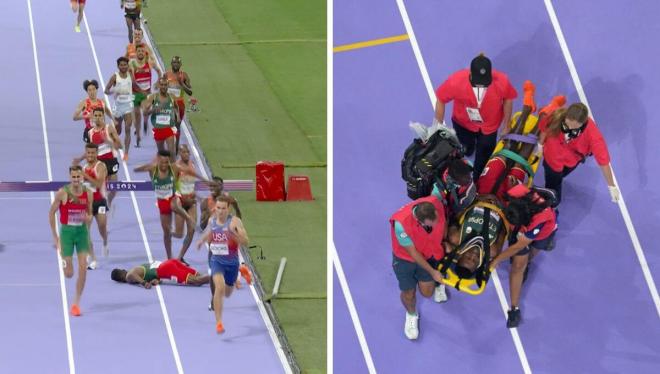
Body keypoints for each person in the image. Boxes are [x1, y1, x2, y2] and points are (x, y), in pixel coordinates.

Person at [434, 54, 518, 179]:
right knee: (465, 148)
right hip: (463, 123)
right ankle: (468, 150)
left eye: (484, 83)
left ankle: (478, 179)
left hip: (490, 127)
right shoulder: (456, 81)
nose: (481, 86)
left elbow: (508, 99)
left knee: (484, 157)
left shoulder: (502, 81)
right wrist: (438, 127)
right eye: (478, 83)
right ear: (471, 74)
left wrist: (506, 125)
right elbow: (441, 99)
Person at [489, 184, 558, 328]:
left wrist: (497, 259)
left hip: (542, 233)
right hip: (520, 231)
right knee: (517, 266)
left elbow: (520, 245)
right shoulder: (514, 192)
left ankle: (538, 250)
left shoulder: (541, 218)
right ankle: (514, 309)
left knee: (531, 253)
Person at [390, 196, 447, 340]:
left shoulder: (434, 202)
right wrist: (432, 272)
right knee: (409, 293)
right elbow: (413, 254)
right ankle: (411, 315)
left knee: (427, 293)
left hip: (428, 253)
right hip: (405, 260)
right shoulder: (401, 224)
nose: (435, 225)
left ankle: (438, 284)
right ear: (420, 222)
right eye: (431, 224)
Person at [538, 102, 619, 204]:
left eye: (574, 128)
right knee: (553, 185)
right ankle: (551, 202)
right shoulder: (555, 115)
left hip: (571, 161)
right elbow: (544, 128)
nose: (569, 130)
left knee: (559, 177)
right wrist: (540, 145)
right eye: (567, 125)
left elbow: (604, 162)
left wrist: (612, 186)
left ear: (583, 124)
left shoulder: (594, 136)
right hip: (551, 159)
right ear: (565, 116)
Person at [196, 196, 249, 334]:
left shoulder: (234, 222)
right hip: (217, 261)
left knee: (227, 293)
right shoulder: (211, 220)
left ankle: (240, 272)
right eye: (218, 208)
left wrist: (234, 236)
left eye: (223, 208)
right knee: (219, 288)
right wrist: (202, 241)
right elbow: (210, 233)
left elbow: (246, 241)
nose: (220, 211)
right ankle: (219, 322)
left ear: (228, 209)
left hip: (232, 262)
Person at [133, 150, 196, 261]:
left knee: (179, 216)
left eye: (166, 162)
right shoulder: (153, 169)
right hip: (162, 203)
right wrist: (148, 165)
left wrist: (206, 181)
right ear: (158, 160)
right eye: (162, 162)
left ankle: (188, 219)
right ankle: (169, 258)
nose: (164, 165)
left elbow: (191, 173)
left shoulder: (174, 168)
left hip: (175, 198)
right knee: (167, 234)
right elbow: (136, 169)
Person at [48, 166, 93, 316]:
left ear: (82, 177)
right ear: (70, 177)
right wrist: (56, 237)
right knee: (69, 274)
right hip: (66, 234)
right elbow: (51, 212)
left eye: (78, 177)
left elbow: (90, 213)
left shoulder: (88, 193)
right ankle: (65, 262)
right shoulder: (63, 193)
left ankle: (76, 304)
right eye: (73, 177)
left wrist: (88, 218)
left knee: (83, 269)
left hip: (81, 233)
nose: (75, 180)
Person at [75, 107, 123, 208]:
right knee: (100, 186)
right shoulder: (90, 133)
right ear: (93, 116)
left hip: (111, 161)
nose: (97, 118)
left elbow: (120, 146)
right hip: (99, 163)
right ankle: (101, 204)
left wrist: (108, 141)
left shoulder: (109, 128)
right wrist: (80, 159)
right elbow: (90, 151)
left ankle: (109, 200)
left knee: (113, 189)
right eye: (95, 115)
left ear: (103, 116)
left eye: (100, 115)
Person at [74, 143, 108, 269]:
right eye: (88, 153)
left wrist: (85, 175)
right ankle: (93, 259)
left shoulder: (101, 166)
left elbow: (99, 184)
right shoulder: (83, 168)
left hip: (99, 202)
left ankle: (105, 241)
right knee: (85, 231)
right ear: (86, 153)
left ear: (96, 153)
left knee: (102, 228)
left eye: (93, 153)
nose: (90, 155)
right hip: (87, 204)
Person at [104, 56, 135, 161]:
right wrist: (113, 91)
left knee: (128, 128)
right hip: (118, 106)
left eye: (125, 64)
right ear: (118, 66)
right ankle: (114, 144)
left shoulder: (131, 74)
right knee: (118, 130)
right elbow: (106, 90)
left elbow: (134, 86)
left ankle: (126, 153)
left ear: (127, 65)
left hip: (128, 105)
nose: (123, 66)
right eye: (121, 65)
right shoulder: (114, 77)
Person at [130, 44, 162, 143]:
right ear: (136, 53)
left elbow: (159, 72)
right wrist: (141, 91)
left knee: (145, 109)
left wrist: (157, 82)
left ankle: (145, 120)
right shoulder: (132, 64)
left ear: (145, 53)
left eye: (142, 51)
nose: (140, 53)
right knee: (136, 114)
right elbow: (133, 81)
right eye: (138, 51)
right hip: (135, 93)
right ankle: (138, 134)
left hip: (147, 93)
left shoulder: (149, 62)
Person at [143, 77, 179, 161]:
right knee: (161, 153)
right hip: (158, 128)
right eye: (162, 85)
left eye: (165, 85)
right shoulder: (153, 97)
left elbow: (176, 107)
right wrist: (154, 109)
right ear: (159, 86)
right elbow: (145, 113)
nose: (163, 87)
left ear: (168, 86)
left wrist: (178, 117)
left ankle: (174, 171)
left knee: (172, 152)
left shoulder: (172, 97)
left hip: (169, 127)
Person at [110, 258, 210, 287]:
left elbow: (131, 275)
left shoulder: (128, 276)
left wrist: (144, 283)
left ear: (120, 279)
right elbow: (152, 272)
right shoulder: (137, 267)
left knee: (196, 281)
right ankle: (219, 280)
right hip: (169, 263)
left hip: (166, 269)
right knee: (198, 276)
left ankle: (218, 275)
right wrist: (155, 280)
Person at [166, 56, 195, 151]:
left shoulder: (184, 75)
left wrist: (182, 84)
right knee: (169, 125)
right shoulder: (166, 75)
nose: (176, 65)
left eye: (178, 63)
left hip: (179, 104)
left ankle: (176, 147)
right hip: (168, 104)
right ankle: (171, 146)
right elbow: (161, 88)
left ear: (180, 65)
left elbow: (190, 92)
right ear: (171, 64)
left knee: (177, 126)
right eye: (174, 63)